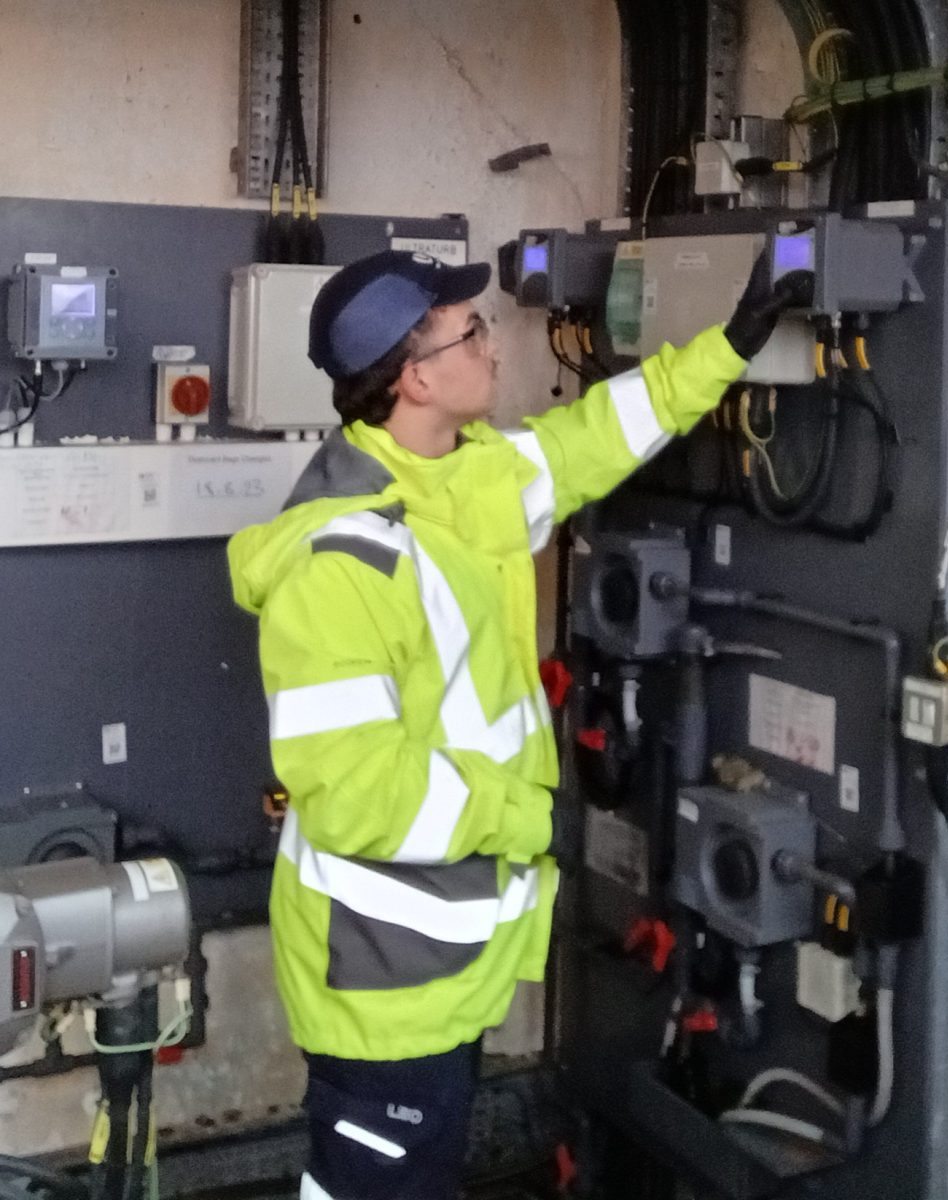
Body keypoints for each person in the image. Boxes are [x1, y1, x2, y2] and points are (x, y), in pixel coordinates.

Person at [227, 247, 802, 1200]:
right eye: (471, 331)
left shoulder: (468, 478)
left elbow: (595, 436)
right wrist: (535, 822)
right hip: (382, 977)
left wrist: (730, 346)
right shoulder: (341, 564)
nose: (495, 346)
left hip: (442, 965)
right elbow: (360, 794)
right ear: (415, 377)